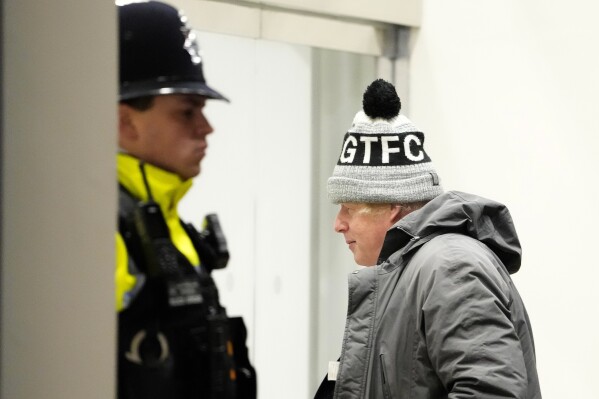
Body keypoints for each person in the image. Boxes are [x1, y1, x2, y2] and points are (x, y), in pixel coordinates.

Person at [314, 79, 541, 398]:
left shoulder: (450, 267)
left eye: (349, 209)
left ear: (392, 206)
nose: (339, 224)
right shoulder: (412, 272)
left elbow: (493, 392)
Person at [115, 2, 256, 398]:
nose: (206, 127)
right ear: (125, 121)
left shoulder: (169, 222)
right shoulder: (93, 228)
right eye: (186, 111)